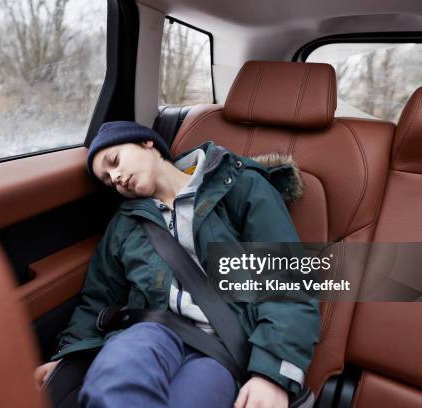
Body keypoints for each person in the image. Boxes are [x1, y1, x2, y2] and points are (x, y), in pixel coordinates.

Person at [34, 121, 320, 408]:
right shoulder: (124, 225)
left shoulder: (239, 187)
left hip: (222, 350)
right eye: (108, 180)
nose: (116, 177)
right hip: (149, 332)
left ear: (147, 143)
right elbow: (99, 299)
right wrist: (67, 356)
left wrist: (271, 375)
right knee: (114, 380)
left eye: (115, 161)